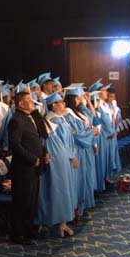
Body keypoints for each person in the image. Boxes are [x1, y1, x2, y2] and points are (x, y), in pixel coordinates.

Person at [7, 90, 48, 245]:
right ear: (21, 104)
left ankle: (29, 229)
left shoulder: (29, 118)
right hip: (23, 168)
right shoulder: (16, 120)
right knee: (22, 202)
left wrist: (44, 153)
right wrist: (32, 159)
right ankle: (18, 234)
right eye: (29, 100)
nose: (33, 102)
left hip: (34, 167)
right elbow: (15, 145)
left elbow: (34, 140)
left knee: (31, 201)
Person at [39, 93, 78, 238]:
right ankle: (60, 222)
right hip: (59, 160)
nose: (64, 104)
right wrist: (71, 156)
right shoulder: (53, 121)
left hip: (65, 159)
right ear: (53, 105)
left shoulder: (61, 119)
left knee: (64, 189)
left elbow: (69, 138)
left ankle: (63, 222)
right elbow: (61, 144)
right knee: (60, 189)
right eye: (61, 102)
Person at [64, 87, 98, 218]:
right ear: (73, 99)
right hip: (78, 149)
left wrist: (86, 101)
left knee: (85, 177)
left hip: (85, 148)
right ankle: (76, 209)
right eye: (78, 97)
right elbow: (76, 134)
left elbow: (91, 117)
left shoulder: (77, 112)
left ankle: (83, 205)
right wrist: (91, 133)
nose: (80, 99)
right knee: (78, 179)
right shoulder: (68, 114)